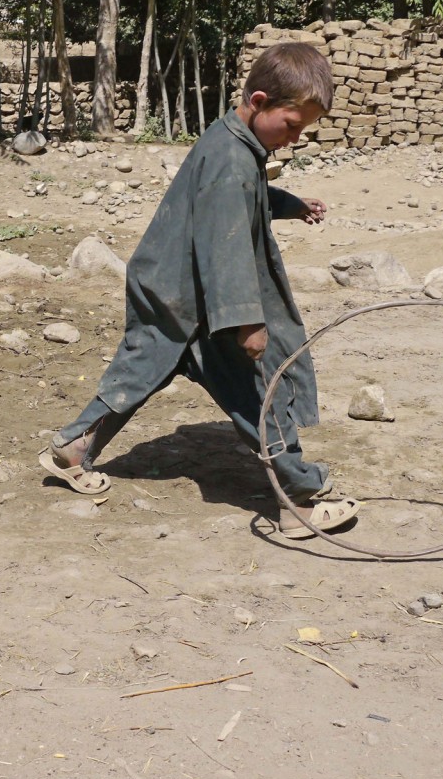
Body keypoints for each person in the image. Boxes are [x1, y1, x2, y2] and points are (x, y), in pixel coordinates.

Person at [39, 42, 360, 539]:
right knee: (262, 389)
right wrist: (248, 322)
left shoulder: (230, 141)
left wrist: (289, 203)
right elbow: (226, 245)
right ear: (259, 100)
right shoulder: (233, 160)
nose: (296, 138)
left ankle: (72, 448)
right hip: (202, 302)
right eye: (293, 125)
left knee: (142, 369)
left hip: (168, 287)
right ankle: (296, 501)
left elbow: (237, 202)